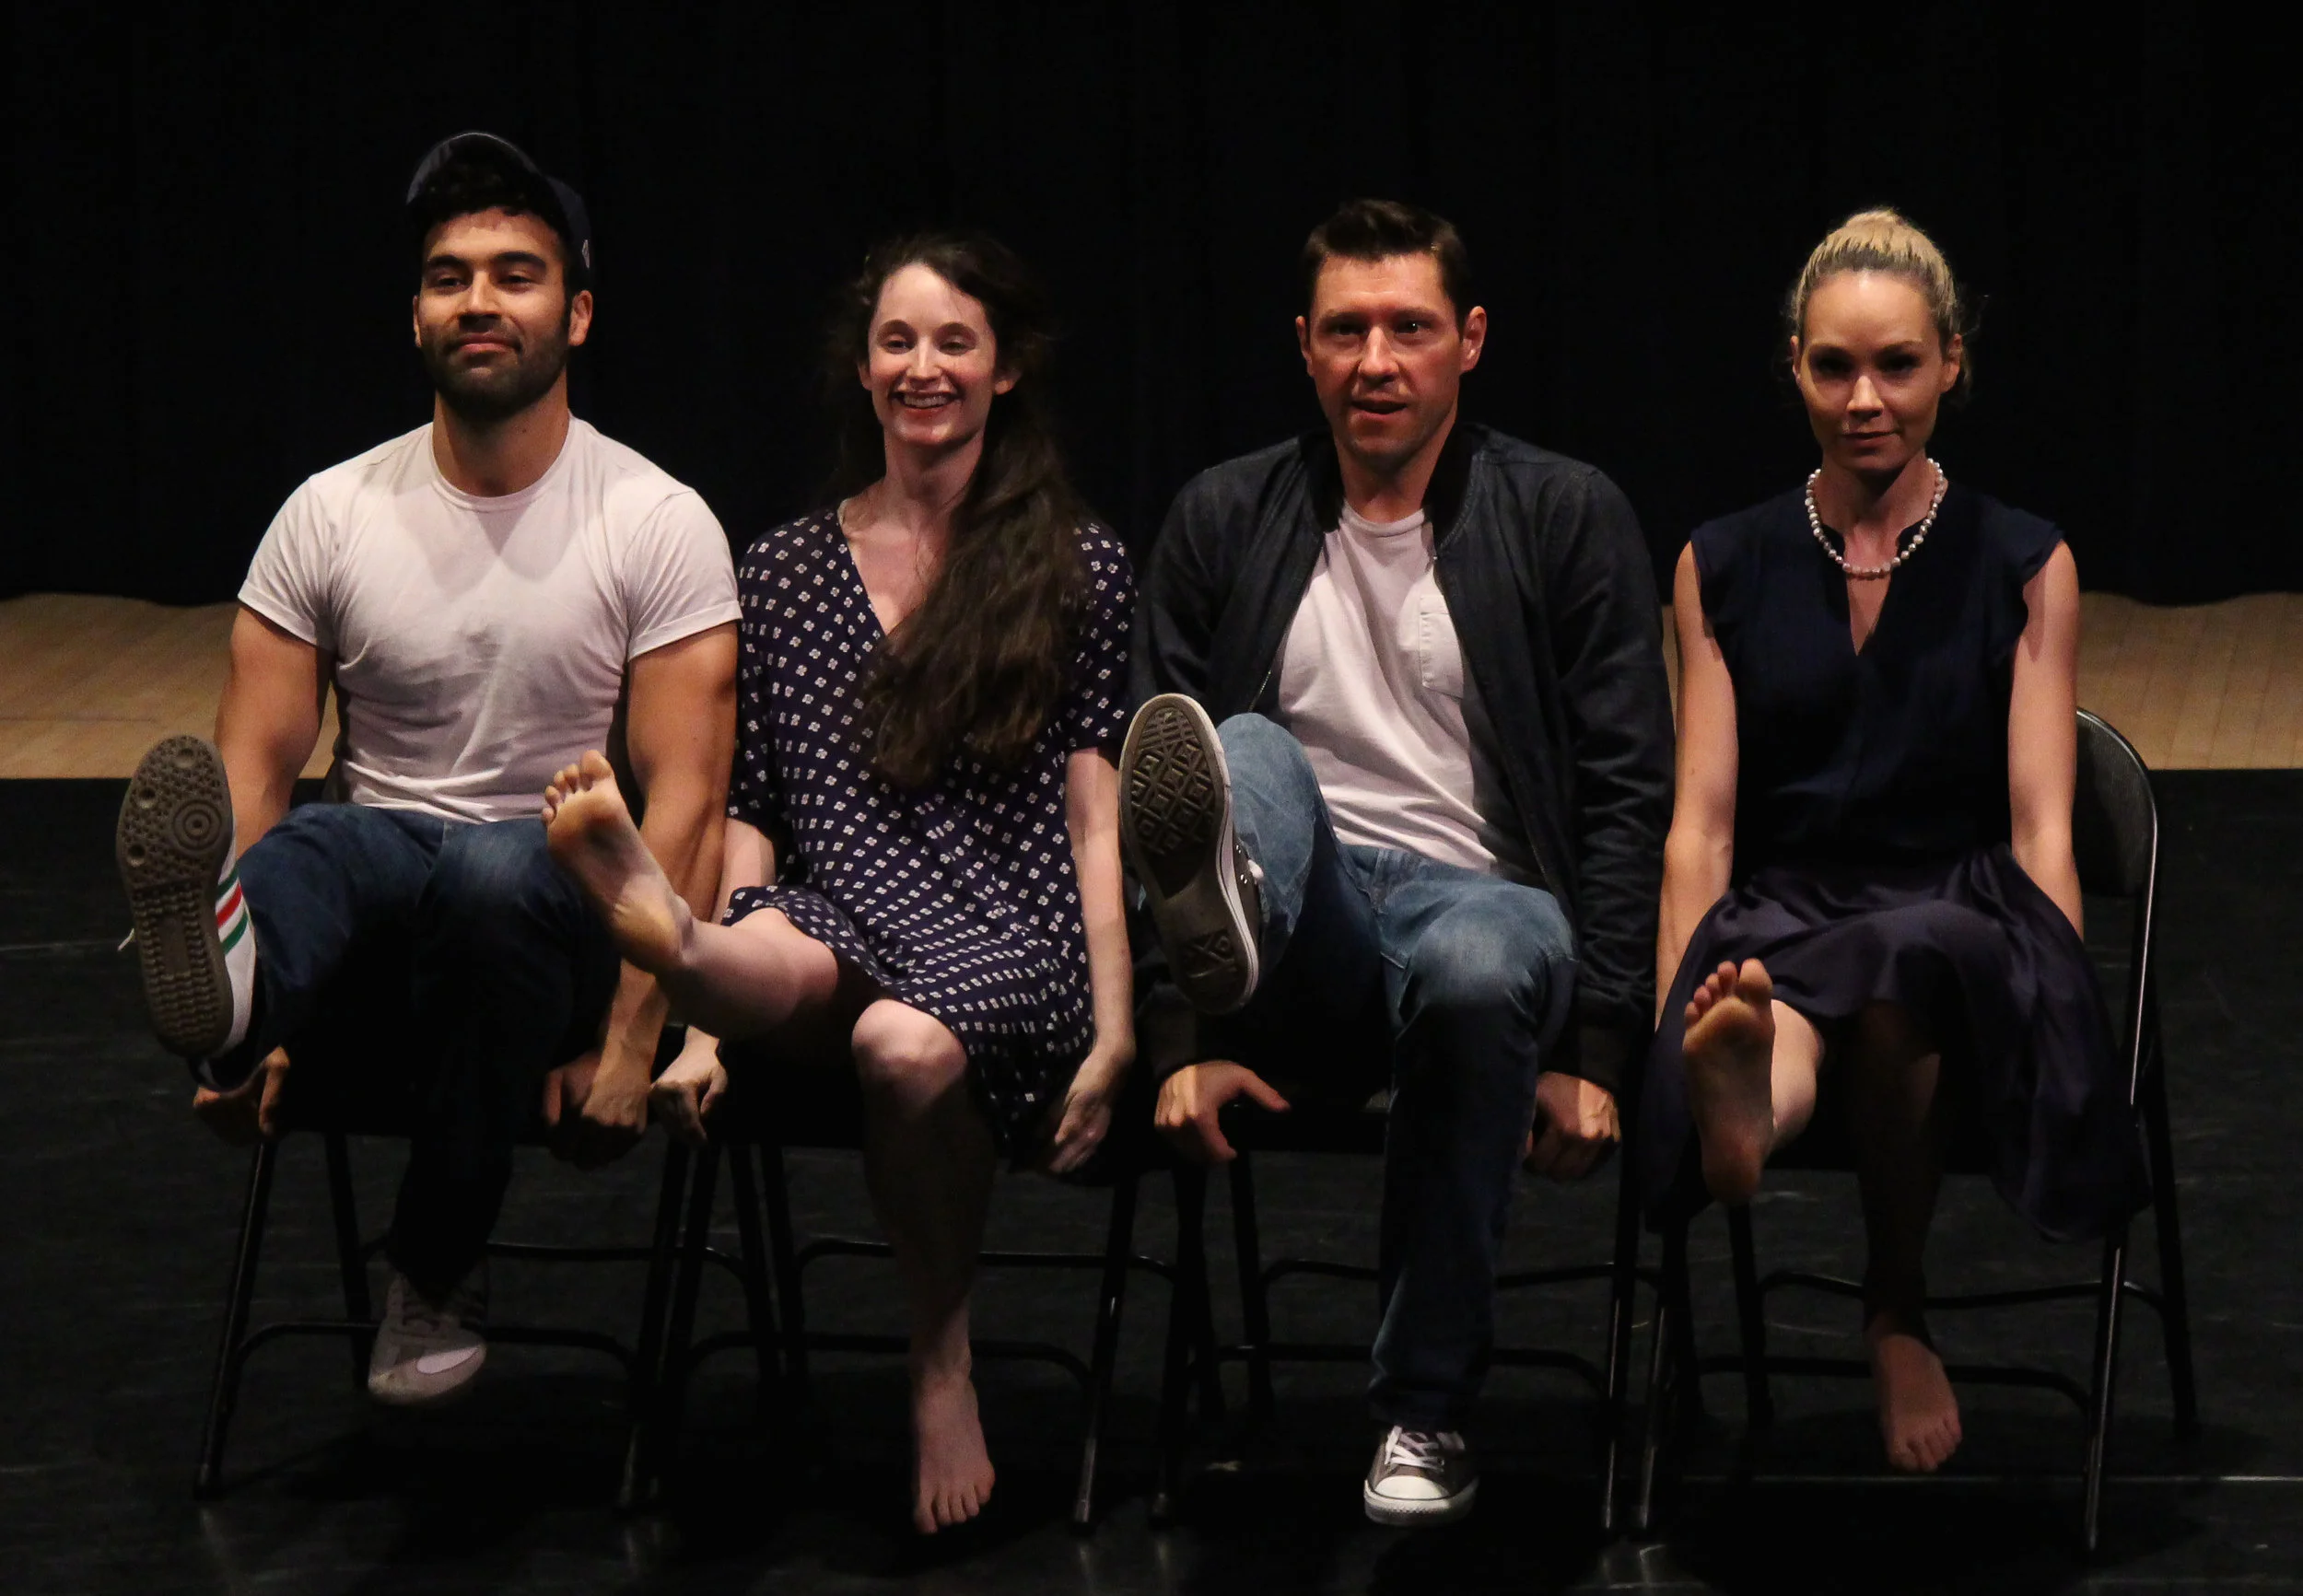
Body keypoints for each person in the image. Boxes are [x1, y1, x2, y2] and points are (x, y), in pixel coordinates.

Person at [113, 132, 739, 1407]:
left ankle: (437, 1264)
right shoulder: (330, 513)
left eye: (516, 274)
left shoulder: (656, 519)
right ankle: (234, 1009)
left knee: (506, 868)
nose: (479, 301)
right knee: (317, 848)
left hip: (556, 908)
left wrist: (634, 1038)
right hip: (384, 900)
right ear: (415, 319)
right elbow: (253, 771)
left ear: (578, 311)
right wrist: (247, 1047)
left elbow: (689, 806)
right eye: (450, 277)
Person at [538, 231, 1135, 1535]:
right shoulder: (787, 566)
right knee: (768, 940)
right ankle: (684, 959)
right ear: (864, 371)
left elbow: (1097, 813)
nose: (924, 367)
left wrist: (1121, 1025)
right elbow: (755, 810)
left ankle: (939, 1358)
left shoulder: (1074, 563)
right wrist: (702, 1041)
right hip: (840, 902)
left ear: (1007, 369)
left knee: (902, 1047)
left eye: (955, 343)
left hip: (1007, 923)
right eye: (899, 342)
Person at [1123, 199, 1673, 1526]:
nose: (1378, 359)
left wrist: (1598, 1044)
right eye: (1347, 331)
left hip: (1482, 907)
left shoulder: (1563, 512)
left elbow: (1624, 792)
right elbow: (1151, 772)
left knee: (1483, 965)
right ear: (1303, 348)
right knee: (1239, 743)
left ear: (1468, 342)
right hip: (1297, 924)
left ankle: (1422, 1415)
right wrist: (1180, 1032)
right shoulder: (1221, 515)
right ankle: (1225, 923)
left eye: (1409, 329)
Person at [1643, 208, 2152, 1474]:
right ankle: (1742, 1109)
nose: (1864, 399)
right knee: (1786, 994)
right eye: (1832, 367)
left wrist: (2059, 1001)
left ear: (1953, 363)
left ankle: (1892, 1302)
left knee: (1907, 961)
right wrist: (1669, 1020)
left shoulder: (2024, 560)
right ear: (1795, 370)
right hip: (1789, 910)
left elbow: (2043, 820)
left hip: (1958, 914)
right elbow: (1701, 827)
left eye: (1897, 366)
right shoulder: (1723, 560)